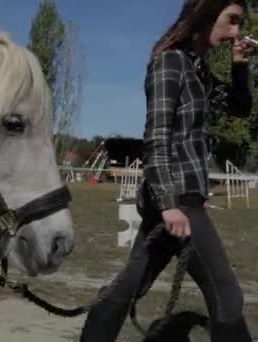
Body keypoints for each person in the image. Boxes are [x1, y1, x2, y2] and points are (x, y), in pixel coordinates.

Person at [80, 0, 254, 341]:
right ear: (206, 13)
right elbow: (156, 136)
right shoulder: (171, 63)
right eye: (231, 20)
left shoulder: (198, 70)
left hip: (175, 202)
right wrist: (168, 204)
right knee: (227, 296)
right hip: (178, 202)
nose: (236, 31)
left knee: (128, 287)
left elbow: (240, 107)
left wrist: (239, 67)